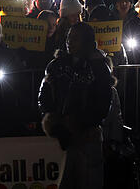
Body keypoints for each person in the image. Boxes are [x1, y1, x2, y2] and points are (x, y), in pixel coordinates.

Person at [39, 23, 113, 189]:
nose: (69, 41)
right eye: (69, 37)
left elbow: (103, 103)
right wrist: (52, 119)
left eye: (75, 38)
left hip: (87, 137)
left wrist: (81, 123)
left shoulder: (99, 68)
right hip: (60, 136)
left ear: (86, 41)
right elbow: (44, 95)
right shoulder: (56, 66)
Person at [111, 0, 140, 64]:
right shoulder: (108, 24)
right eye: (120, 1)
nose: (124, 3)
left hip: (135, 69)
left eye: (126, 0)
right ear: (115, 4)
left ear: (131, 3)